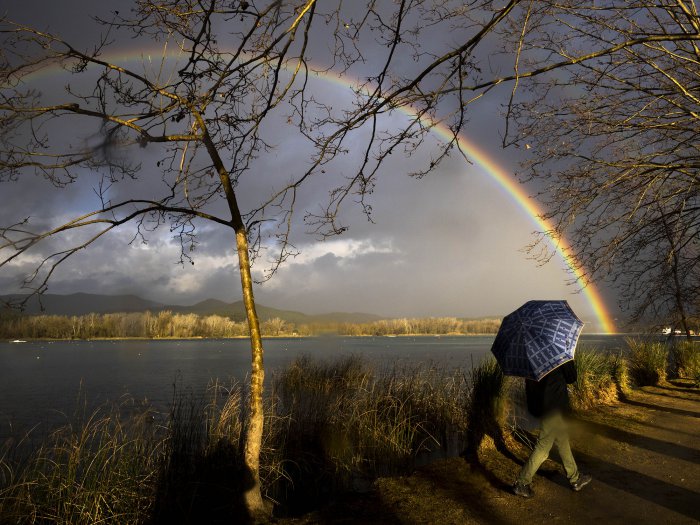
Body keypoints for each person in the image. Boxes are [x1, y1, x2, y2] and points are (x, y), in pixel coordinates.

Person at [512, 360, 592, 498]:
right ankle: (522, 483)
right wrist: (570, 361)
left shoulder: (530, 358)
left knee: (562, 441)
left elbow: (530, 385)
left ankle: (575, 478)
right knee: (543, 447)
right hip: (553, 406)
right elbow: (571, 377)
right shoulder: (558, 354)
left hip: (541, 405)